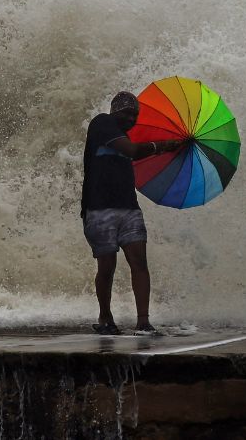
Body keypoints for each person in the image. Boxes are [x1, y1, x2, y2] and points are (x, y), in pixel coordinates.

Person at [81, 91, 184, 335]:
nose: (131, 119)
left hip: (129, 208)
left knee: (139, 262)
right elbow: (132, 151)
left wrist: (175, 149)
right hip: (98, 209)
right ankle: (105, 318)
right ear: (115, 110)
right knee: (107, 268)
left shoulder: (125, 136)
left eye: (135, 115)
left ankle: (143, 322)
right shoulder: (101, 123)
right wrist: (163, 146)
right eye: (127, 113)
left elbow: (134, 152)